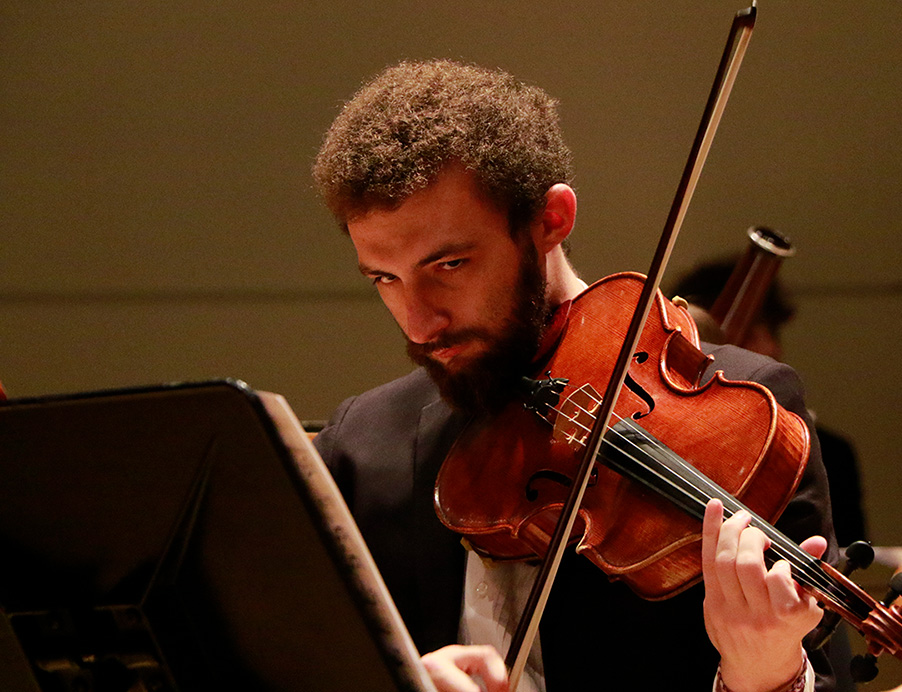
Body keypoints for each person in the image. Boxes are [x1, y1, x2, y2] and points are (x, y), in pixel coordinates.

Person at [310, 60, 838, 692]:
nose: (419, 324)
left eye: (449, 264)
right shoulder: (365, 445)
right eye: (384, 279)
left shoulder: (739, 418)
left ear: (550, 220)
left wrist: (765, 673)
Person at [669, 258, 868, 548]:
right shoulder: (663, 438)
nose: (770, 348)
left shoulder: (831, 453)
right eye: (750, 332)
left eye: (772, 332)